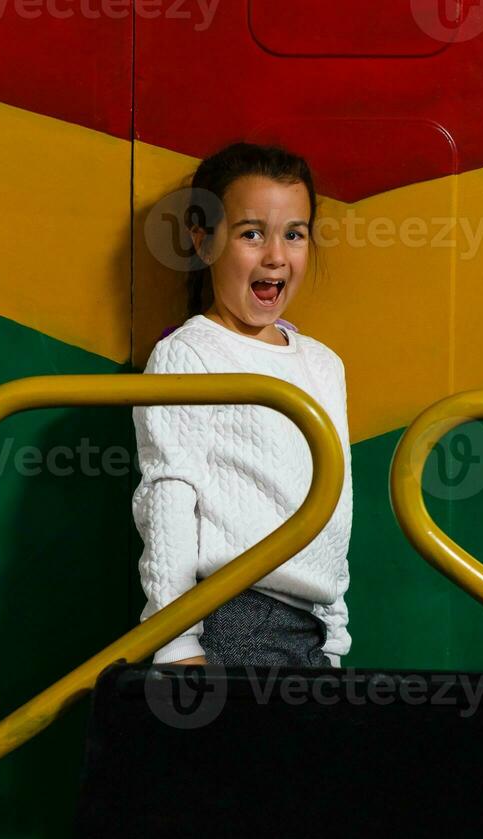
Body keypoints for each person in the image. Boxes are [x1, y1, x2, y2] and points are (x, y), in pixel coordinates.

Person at [132, 142, 352, 669]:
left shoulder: (323, 365)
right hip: (230, 617)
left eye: (293, 234)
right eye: (251, 233)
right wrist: (177, 642)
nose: (276, 255)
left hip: (311, 628)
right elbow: (167, 498)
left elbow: (337, 507)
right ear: (203, 241)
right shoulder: (189, 353)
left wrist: (336, 637)